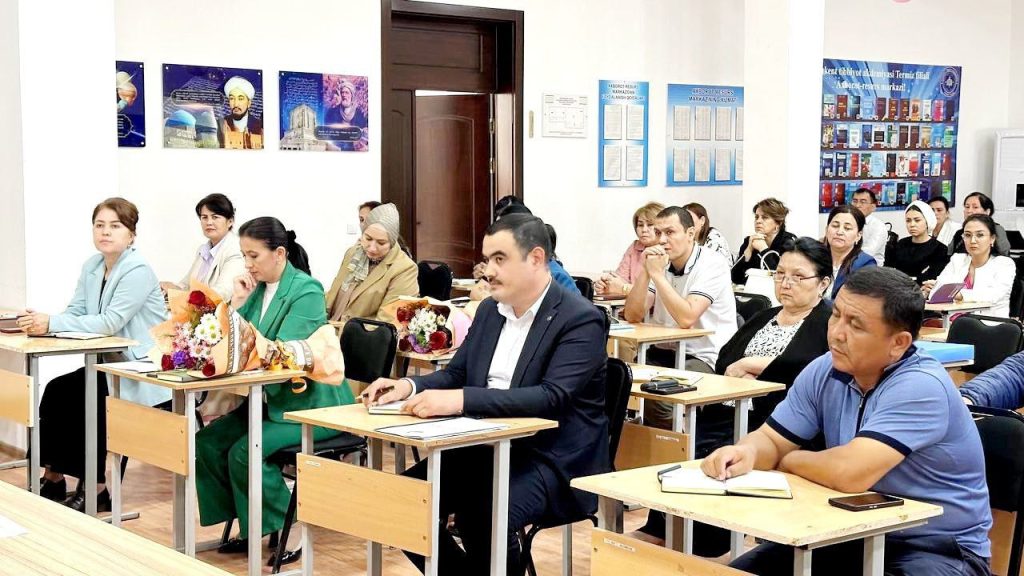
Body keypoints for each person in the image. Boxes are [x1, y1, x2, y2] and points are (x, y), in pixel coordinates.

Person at [360, 214, 609, 574]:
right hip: (484, 446)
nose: (488, 271)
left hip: (551, 457)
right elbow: (458, 373)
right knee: (399, 502)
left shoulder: (579, 318)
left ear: (536, 258)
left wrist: (461, 400)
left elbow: (551, 397)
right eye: (487, 259)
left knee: (483, 513)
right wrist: (408, 386)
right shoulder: (491, 310)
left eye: (500, 259)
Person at [704, 267, 991, 575]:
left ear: (898, 343)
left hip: (934, 547)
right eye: (836, 315)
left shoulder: (921, 385)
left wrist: (787, 460)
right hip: (847, 532)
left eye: (855, 325)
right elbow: (772, 439)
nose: (836, 333)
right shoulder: (825, 368)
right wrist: (746, 452)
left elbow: (848, 473)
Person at [637, 238, 834, 550]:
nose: (786, 283)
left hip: (773, 421)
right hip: (727, 409)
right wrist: (744, 367)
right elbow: (726, 359)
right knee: (684, 453)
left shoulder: (827, 322)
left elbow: (816, 367)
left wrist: (758, 365)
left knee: (718, 455)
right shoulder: (764, 316)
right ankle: (666, 531)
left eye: (798, 277)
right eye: (780, 274)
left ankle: (706, 545)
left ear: (823, 283)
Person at [195, 217, 352, 564]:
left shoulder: (306, 291)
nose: (247, 264)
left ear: (279, 253)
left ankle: (287, 526)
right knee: (208, 442)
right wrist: (237, 301)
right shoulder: (256, 290)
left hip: (311, 407)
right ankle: (250, 522)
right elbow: (235, 340)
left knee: (244, 451)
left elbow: (280, 354)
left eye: (253, 256)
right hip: (268, 402)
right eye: (244, 256)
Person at [18, 198, 169, 512]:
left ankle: (96, 488)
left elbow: (110, 322)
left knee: (89, 398)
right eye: (99, 225)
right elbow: (76, 310)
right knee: (58, 389)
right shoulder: (92, 266)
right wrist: (41, 323)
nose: (105, 232)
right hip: (107, 368)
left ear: (131, 235)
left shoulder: (137, 269)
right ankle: (53, 477)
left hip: (140, 370)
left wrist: (53, 323)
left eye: (115, 226)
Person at [623, 206, 737, 428]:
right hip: (664, 351)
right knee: (618, 380)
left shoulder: (712, 264)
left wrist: (657, 275)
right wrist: (646, 272)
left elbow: (686, 318)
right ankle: (644, 439)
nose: (662, 240)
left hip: (703, 355)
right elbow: (633, 314)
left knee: (660, 396)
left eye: (670, 232)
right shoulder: (660, 263)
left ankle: (678, 442)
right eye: (658, 233)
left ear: (690, 233)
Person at [325, 203, 419, 325]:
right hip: (328, 326)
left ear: (392, 242)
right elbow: (333, 293)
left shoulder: (404, 269)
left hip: (360, 334)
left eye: (381, 243)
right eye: (368, 239)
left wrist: (337, 329)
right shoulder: (353, 253)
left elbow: (387, 324)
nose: (372, 248)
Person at [470, 200, 579, 299]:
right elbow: (476, 292)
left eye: (499, 259)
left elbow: (573, 310)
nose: (489, 271)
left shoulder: (556, 276)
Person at [924, 214, 1016, 318]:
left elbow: (993, 296)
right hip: (951, 322)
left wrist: (958, 294)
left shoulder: (1004, 264)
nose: (972, 241)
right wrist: (944, 292)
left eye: (980, 235)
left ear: (992, 239)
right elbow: (936, 293)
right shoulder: (957, 260)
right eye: (967, 235)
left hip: (989, 323)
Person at [160, 193, 244, 302]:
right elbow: (186, 286)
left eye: (215, 217)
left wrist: (181, 296)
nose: (209, 222)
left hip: (221, 311)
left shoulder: (235, 250)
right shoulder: (204, 250)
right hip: (198, 310)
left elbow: (222, 293)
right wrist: (171, 288)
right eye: (204, 217)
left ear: (230, 221)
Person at [595, 201, 664, 295]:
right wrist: (606, 285)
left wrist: (622, 288)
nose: (644, 230)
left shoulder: (669, 250)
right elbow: (620, 279)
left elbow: (653, 293)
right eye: (640, 225)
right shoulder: (635, 247)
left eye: (650, 224)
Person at [731, 198, 796, 285]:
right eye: (756, 217)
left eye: (765, 218)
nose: (758, 221)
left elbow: (780, 278)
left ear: (778, 223)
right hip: (753, 291)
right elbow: (735, 278)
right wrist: (748, 251)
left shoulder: (789, 242)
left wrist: (763, 249)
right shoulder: (750, 241)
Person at [884, 201, 949, 285]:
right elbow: (889, 271)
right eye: (908, 221)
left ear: (927, 221)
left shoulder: (940, 249)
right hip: (898, 288)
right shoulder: (901, 244)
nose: (912, 224)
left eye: (917, 220)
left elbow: (934, 276)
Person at [825, 205, 876, 298]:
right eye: (835, 226)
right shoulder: (816, 257)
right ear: (826, 230)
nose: (839, 232)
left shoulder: (865, 264)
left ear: (858, 235)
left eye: (847, 228)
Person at [948, 192, 1010, 256]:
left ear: (987, 212)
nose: (969, 211)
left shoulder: (996, 229)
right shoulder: (959, 233)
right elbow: (949, 254)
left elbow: (1004, 254)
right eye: (967, 207)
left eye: (975, 207)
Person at [217, 76, 263, 149]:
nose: (236, 104)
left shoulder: (260, 126)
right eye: (232, 98)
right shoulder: (220, 124)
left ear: (249, 103)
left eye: (240, 99)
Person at [850, 188, 887, 265]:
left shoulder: (878, 226)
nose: (857, 205)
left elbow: (868, 252)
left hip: (871, 268)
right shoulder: (848, 222)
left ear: (873, 207)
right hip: (847, 266)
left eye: (863, 202)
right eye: (855, 201)